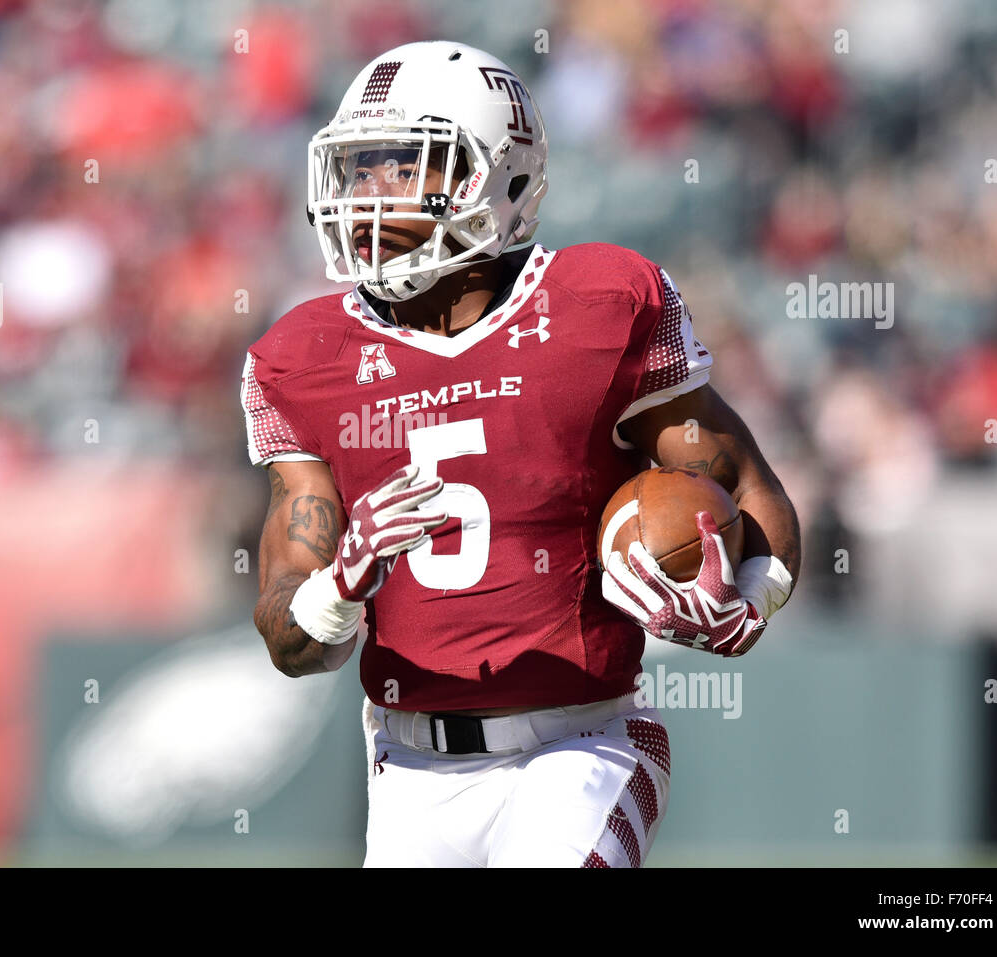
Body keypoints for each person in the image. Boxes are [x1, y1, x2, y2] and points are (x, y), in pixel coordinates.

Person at [241, 41, 800, 867]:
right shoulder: (303, 357)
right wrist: (339, 584)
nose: (368, 194)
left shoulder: (598, 304)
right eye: (359, 168)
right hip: (407, 767)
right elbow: (291, 642)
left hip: (581, 744)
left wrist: (750, 597)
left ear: (498, 177)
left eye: (403, 165)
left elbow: (747, 486)